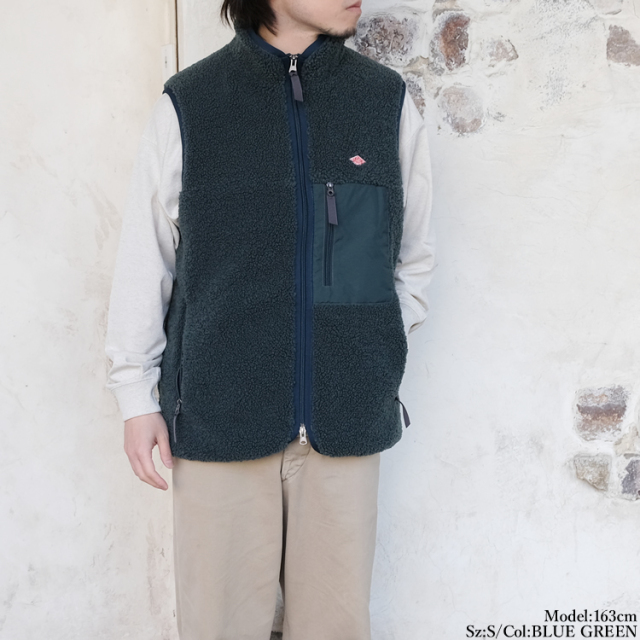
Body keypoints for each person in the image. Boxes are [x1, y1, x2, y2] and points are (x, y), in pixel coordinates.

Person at [104, 0, 435, 637]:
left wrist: (375, 353)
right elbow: (148, 258)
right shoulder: (192, 103)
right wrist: (134, 395)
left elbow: (410, 257)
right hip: (219, 420)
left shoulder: (383, 101)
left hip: (345, 424)